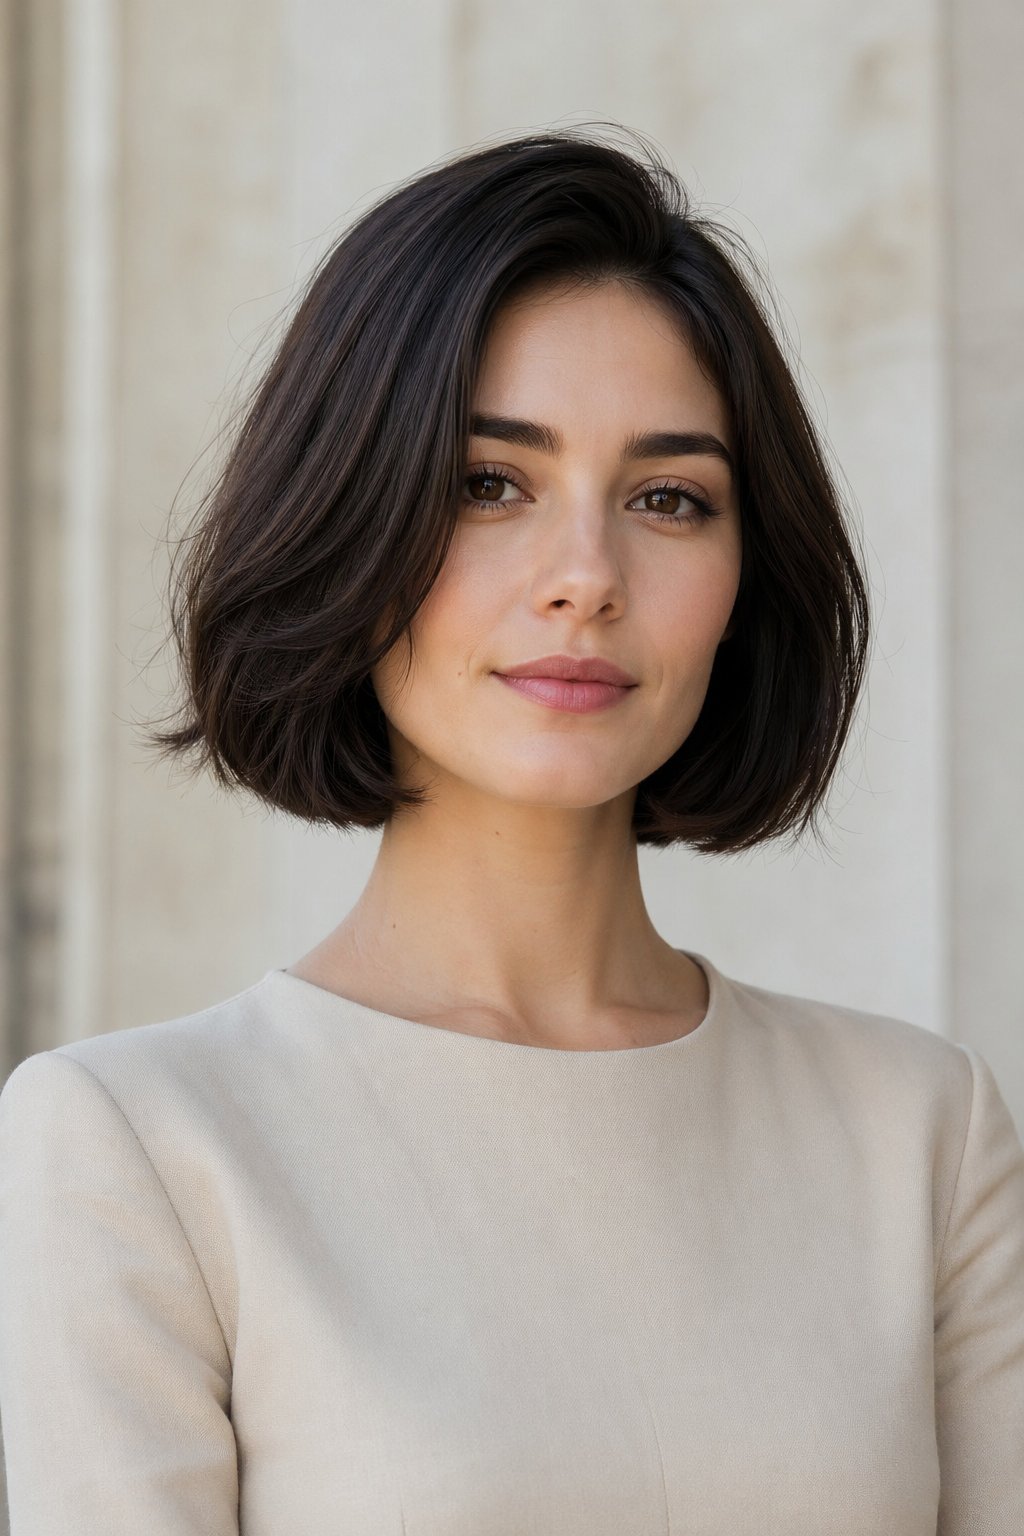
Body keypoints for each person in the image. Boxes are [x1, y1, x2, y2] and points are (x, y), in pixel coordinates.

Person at [0, 127, 1021, 1535]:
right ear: (348, 520)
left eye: (669, 498)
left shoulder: (923, 1135)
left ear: (745, 578)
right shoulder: (136, 1149)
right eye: (491, 483)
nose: (586, 578)